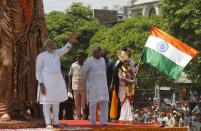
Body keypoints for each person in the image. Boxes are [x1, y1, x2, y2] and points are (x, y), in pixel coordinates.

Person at [36, 33, 76, 128]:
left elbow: (64, 49)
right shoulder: (41, 56)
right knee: (46, 104)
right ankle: (48, 123)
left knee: (56, 103)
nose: (51, 46)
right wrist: (41, 84)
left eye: (52, 44)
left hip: (57, 83)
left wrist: (70, 42)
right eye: (49, 44)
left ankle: (56, 122)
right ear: (45, 46)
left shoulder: (56, 53)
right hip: (45, 83)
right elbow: (38, 72)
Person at [83, 45, 109, 126]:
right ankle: (93, 122)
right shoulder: (88, 61)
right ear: (94, 52)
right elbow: (84, 74)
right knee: (93, 104)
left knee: (104, 103)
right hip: (93, 86)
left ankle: (104, 122)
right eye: (99, 51)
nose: (101, 53)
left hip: (103, 86)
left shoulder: (102, 60)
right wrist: (85, 86)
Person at [68, 51, 86, 120]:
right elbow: (70, 75)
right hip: (75, 87)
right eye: (77, 56)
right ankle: (78, 117)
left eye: (80, 57)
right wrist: (69, 87)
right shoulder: (73, 65)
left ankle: (84, 117)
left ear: (83, 58)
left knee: (83, 103)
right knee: (76, 103)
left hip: (84, 87)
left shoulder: (86, 65)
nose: (78, 58)